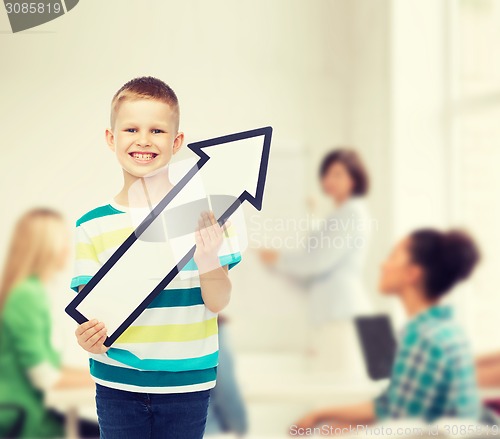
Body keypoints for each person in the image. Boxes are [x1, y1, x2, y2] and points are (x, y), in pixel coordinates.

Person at [71, 76, 242, 439]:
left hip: (187, 385)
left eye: (157, 131)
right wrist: (88, 337)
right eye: (131, 128)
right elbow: (92, 316)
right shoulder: (92, 226)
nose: (144, 140)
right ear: (111, 138)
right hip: (117, 383)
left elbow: (218, 301)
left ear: (177, 141)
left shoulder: (204, 214)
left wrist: (209, 258)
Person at [293, 228, 482, 430]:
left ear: (412, 273)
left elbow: (401, 427)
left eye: (393, 256)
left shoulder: (423, 339)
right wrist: (323, 415)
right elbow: (389, 407)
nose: (383, 264)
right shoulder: (446, 330)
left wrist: (345, 429)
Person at [260, 149, 373, 374]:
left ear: (354, 178)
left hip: (342, 315)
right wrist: (311, 215)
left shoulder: (352, 213)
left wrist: (278, 259)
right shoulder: (341, 214)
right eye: (326, 174)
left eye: (338, 174)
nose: (329, 180)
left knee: (338, 391)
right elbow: (317, 249)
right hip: (335, 314)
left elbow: (318, 260)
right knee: (333, 388)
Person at [0, 208, 99, 438]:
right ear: (44, 248)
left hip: (33, 414)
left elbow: (50, 367)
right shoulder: (27, 295)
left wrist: (104, 374)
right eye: (63, 241)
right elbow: (46, 377)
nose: (68, 249)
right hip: (23, 420)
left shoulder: (30, 291)